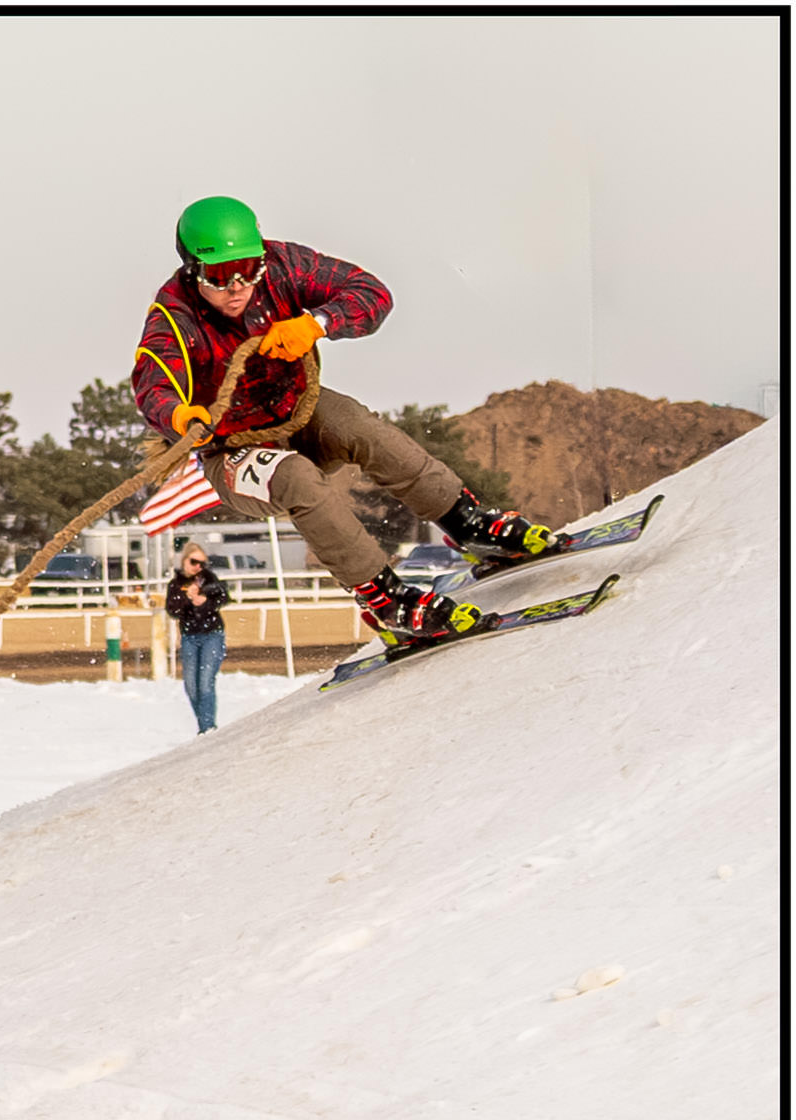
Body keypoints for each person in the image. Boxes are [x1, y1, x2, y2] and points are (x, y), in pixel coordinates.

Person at [132, 196, 562, 644]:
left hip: (297, 409)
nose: (238, 286)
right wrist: (182, 415)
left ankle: (465, 521)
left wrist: (316, 323)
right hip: (232, 448)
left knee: (357, 426)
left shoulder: (284, 265)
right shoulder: (173, 315)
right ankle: (382, 597)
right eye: (220, 276)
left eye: (248, 268)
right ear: (192, 269)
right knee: (297, 477)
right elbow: (152, 386)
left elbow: (372, 293)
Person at [164, 541, 228, 733]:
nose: (198, 567)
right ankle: (203, 724)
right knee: (191, 685)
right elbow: (173, 610)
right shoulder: (176, 584)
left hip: (212, 634)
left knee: (206, 681)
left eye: (202, 563)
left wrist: (205, 600)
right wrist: (188, 599)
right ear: (184, 561)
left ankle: (207, 728)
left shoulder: (208, 579)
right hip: (190, 636)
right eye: (194, 562)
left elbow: (223, 596)